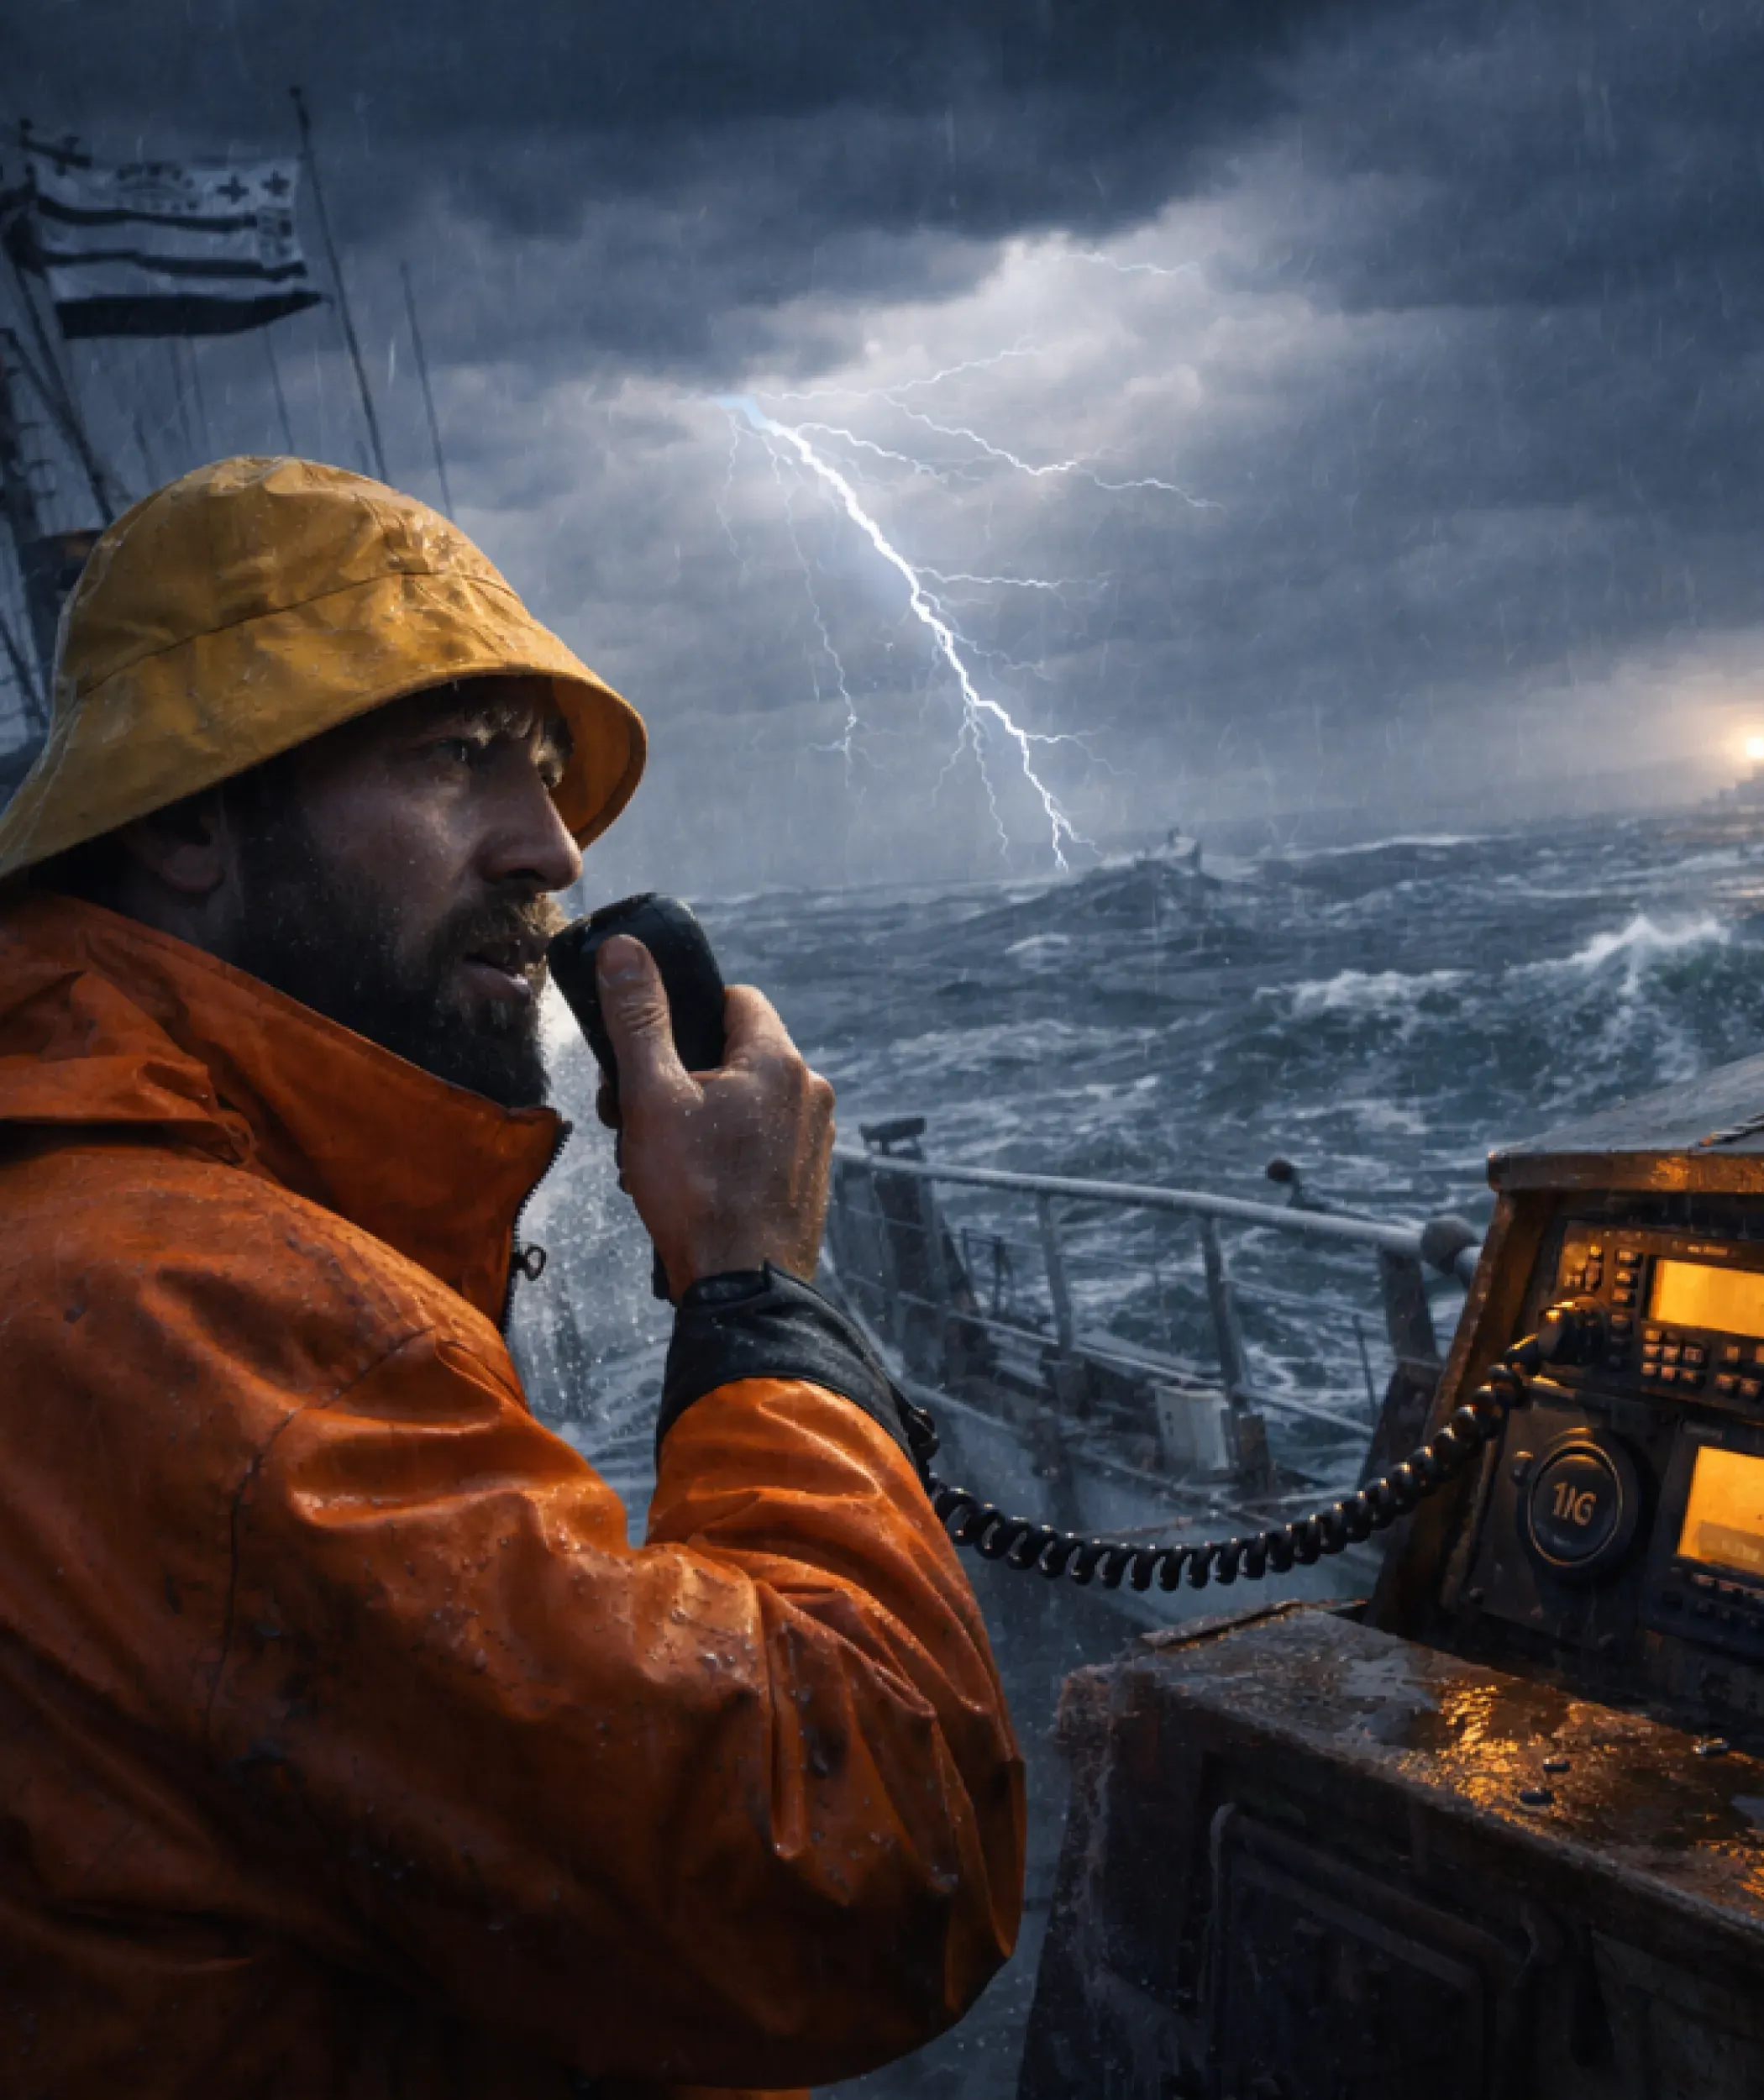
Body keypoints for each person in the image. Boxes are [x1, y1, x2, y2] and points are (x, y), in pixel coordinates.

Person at [0, 457, 1025, 2097]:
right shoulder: (198, 1313)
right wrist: (753, 1282)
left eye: (542, 772)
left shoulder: (107, 1212)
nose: (549, 839)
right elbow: (863, 1856)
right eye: (451, 758)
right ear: (189, 818)